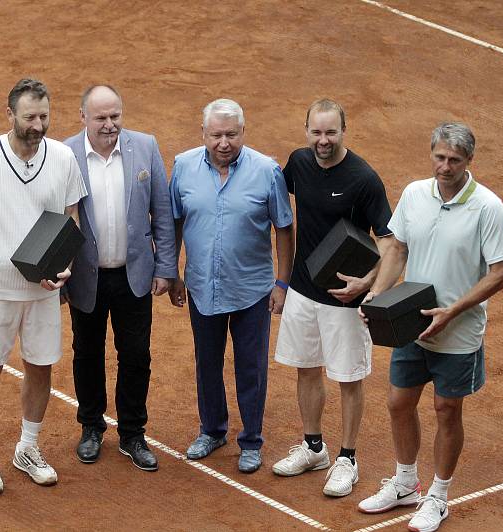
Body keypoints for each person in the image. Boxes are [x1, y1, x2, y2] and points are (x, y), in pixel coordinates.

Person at [357, 122, 503, 532]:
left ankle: (439, 496)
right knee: (398, 403)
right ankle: (406, 483)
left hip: (458, 331)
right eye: (439, 157)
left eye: (454, 160)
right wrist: (377, 293)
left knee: (447, 409)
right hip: (410, 323)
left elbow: (501, 273)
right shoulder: (414, 194)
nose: (444, 167)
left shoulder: (488, 207)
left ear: (469, 162)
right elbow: (398, 249)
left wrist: (451, 310)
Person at [0, 79, 87, 495]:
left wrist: (64, 266)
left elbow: (71, 219)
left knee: (40, 366)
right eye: (29, 117)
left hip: (43, 290)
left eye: (44, 116)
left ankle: (27, 447)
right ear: (9, 115)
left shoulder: (62, 157)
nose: (38, 124)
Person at [271, 99, 394, 497]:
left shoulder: (363, 179)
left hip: (345, 300)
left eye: (331, 133)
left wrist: (368, 286)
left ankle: (347, 459)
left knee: (348, 377)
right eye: (316, 133)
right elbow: (272, 195)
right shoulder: (300, 163)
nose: (323, 141)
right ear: (306, 130)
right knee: (306, 368)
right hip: (303, 292)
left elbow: (391, 243)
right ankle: (313, 448)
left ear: (344, 130)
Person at [169, 98, 294, 473]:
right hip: (201, 285)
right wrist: (173, 271)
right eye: (216, 134)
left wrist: (282, 282)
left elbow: (284, 228)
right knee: (206, 362)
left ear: (244, 132)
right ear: (203, 133)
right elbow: (174, 220)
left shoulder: (267, 171)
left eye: (232, 134)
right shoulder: (183, 167)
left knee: (250, 367)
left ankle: (251, 440)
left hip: (251, 289)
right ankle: (212, 430)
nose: (224, 142)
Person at [63, 85, 176, 472]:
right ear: (83, 118)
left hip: (135, 275)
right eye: (100, 118)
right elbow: (55, 218)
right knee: (87, 353)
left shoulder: (145, 147)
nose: (109, 124)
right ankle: (91, 427)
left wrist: (166, 268)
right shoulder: (65, 154)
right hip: (86, 277)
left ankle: (132, 433)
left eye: (115, 116)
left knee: (136, 356)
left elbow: (162, 212)